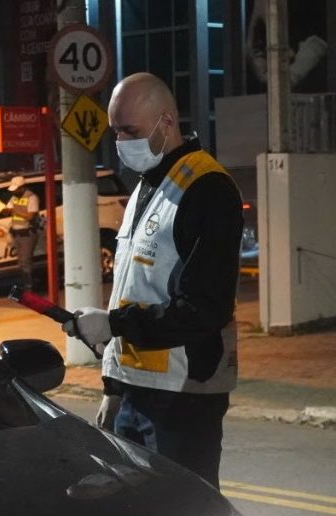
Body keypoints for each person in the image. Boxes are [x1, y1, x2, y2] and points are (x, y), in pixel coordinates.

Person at [61, 72, 243, 490]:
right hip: (137, 389)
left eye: (131, 131)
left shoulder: (207, 189)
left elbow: (204, 308)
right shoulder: (150, 185)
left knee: (185, 514)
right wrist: (114, 386)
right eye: (116, 131)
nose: (121, 141)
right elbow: (134, 289)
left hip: (183, 395)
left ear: (167, 122)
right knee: (140, 514)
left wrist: (113, 324)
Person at [1, 175, 40, 290]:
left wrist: (14, 211)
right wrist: (4, 210)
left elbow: (30, 216)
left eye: (16, 189)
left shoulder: (32, 197)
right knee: (21, 262)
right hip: (16, 233)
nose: (14, 192)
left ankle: (29, 287)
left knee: (25, 262)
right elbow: (7, 210)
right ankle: (26, 284)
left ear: (22, 187)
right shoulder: (14, 197)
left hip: (27, 233)